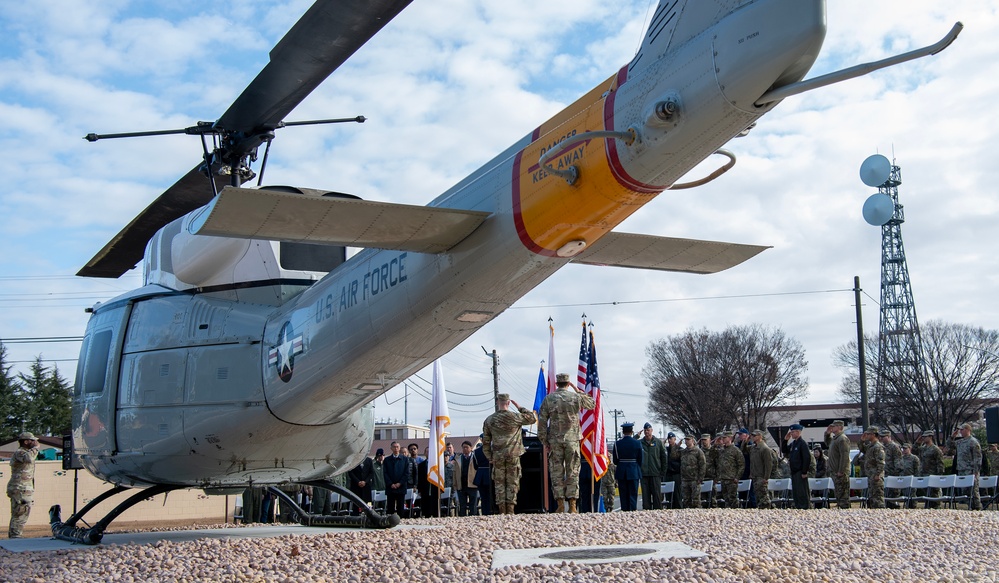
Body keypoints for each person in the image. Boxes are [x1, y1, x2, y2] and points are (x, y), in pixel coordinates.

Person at [537, 373, 595, 513]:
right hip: (572, 440)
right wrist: (578, 391)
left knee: (556, 472)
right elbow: (592, 404)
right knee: (572, 471)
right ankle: (573, 504)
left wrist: (545, 441)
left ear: (557, 384)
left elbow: (542, 421)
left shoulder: (549, 399)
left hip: (555, 441)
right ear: (568, 384)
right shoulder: (575, 397)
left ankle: (560, 504)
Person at [482, 393, 537, 515]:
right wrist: (520, 407)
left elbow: (486, 441)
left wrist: (489, 456)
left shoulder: (490, 420)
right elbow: (532, 418)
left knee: (499, 483)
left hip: (497, 456)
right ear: (508, 402)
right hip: (513, 454)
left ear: (497, 402)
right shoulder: (515, 417)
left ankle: (502, 509)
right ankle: (510, 509)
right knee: (512, 482)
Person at [7, 432, 39, 538]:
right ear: (25, 442)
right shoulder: (20, 452)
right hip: (20, 488)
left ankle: (15, 536)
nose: (35, 442)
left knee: (21, 514)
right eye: (32, 440)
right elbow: (28, 458)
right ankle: (15, 537)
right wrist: (36, 448)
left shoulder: (25, 452)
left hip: (23, 488)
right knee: (20, 513)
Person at [952, 422, 983, 510]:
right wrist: (952, 437)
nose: (960, 431)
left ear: (968, 430)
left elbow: (978, 457)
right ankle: (970, 507)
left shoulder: (973, 442)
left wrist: (976, 470)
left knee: (973, 491)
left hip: (971, 469)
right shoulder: (960, 442)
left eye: (962, 429)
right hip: (962, 469)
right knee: (964, 491)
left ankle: (977, 508)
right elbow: (949, 447)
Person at [638, 422, 669, 510]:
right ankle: (646, 512)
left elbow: (664, 458)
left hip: (655, 473)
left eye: (648, 430)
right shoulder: (640, 443)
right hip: (644, 474)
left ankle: (657, 512)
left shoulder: (658, 443)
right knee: (646, 497)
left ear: (652, 430)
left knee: (657, 496)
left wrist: (663, 471)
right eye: (645, 430)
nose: (646, 432)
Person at [613, 422, 643, 511]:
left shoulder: (617, 444)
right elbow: (640, 459)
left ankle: (624, 510)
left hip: (622, 471)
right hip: (634, 470)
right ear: (632, 432)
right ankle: (632, 510)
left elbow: (615, 460)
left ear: (623, 432)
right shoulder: (637, 443)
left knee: (623, 494)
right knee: (633, 494)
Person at [825, 420, 851, 509]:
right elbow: (827, 443)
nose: (832, 428)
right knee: (838, 494)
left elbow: (844, 456)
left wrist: (841, 470)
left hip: (840, 472)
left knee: (843, 494)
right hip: (835, 471)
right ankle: (841, 508)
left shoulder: (842, 439)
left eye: (834, 426)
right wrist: (827, 434)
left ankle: (845, 510)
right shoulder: (835, 439)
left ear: (840, 427)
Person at [785, 424, 811, 509]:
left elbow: (806, 458)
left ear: (798, 432)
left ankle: (804, 507)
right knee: (796, 491)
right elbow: (785, 450)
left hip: (800, 471)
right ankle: (798, 506)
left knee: (802, 491)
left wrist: (804, 471)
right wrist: (785, 441)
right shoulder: (793, 444)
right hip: (794, 471)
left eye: (793, 432)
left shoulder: (802, 444)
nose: (791, 434)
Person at [717, 431, 744, 508]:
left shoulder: (736, 450)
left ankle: (736, 512)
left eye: (724, 438)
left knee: (732, 499)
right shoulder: (722, 450)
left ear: (730, 438)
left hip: (731, 479)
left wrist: (737, 477)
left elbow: (741, 465)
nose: (722, 439)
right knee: (726, 499)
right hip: (723, 478)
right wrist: (715, 444)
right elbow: (712, 454)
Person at [917, 431, 944, 508]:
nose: (924, 438)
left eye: (925, 437)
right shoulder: (923, 448)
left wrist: (939, 475)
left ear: (930, 437)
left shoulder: (935, 449)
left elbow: (940, 463)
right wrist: (917, 442)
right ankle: (928, 506)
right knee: (927, 493)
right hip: (923, 474)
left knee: (934, 493)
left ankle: (936, 507)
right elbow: (914, 451)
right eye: (923, 437)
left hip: (932, 474)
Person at [861, 427, 886, 508]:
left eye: (868, 434)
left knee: (878, 497)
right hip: (871, 475)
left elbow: (881, 462)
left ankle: (881, 512)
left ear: (874, 435)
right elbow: (862, 449)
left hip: (876, 476)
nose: (867, 435)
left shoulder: (877, 447)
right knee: (872, 497)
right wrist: (862, 441)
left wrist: (878, 474)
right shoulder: (870, 446)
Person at [383, 441, 409, 516]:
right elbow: (385, 473)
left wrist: (399, 483)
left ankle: (400, 519)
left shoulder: (405, 459)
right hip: (390, 487)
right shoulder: (387, 460)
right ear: (391, 448)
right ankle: (390, 520)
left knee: (400, 506)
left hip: (401, 487)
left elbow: (406, 473)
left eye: (397, 447)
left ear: (399, 448)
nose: (396, 448)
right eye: (394, 447)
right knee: (390, 507)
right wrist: (390, 484)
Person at [749, 430, 774, 509]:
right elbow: (743, 450)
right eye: (752, 436)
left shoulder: (764, 449)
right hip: (755, 476)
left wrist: (766, 477)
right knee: (758, 497)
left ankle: (767, 510)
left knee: (764, 498)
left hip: (761, 476)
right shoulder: (754, 448)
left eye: (755, 436)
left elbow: (768, 464)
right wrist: (745, 441)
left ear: (760, 436)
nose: (753, 437)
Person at [679, 435, 705, 508]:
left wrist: (700, 478)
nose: (687, 441)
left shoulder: (698, 452)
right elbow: (673, 455)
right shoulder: (683, 452)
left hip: (695, 479)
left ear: (692, 440)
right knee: (686, 500)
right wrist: (677, 446)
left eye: (688, 440)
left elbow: (702, 465)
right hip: (685, 479)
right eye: (686, 440)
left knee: (696, 500)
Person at [879, 429, 903, 507]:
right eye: (881, 437)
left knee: (893, 495)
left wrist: (896, 473)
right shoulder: (882, 447)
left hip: (892, 474)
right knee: (885, 494)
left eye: (883, 437)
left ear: (888, 436)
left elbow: (898, 460)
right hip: (884, 474)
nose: (881, 438)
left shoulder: (894, 446)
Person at [455, 440, 478, 516]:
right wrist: (455, 484)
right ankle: (462, 519)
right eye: (463, 447)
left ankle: (473, 518)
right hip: (461, 485)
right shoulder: (458, 459)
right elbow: (455, 472)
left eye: (467, 447)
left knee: (473, 505)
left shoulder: (475, 458)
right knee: (462, 505)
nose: (465, 449)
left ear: (471, 448)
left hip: (472, 484)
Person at [471, 438, 493, 515]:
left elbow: (475, 465)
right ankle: (490, 511)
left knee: (483, 497)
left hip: (480, 475)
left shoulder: (476, 451)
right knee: (490, 496)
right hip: (490, 473)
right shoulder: (493, 450)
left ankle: (485, 512)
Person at [663, 431, 683, 508]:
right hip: (668, 474)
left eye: (671, 438)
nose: (669, 440)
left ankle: (678, 508)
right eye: (668, 439)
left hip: (676, 474)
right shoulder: (666, 450)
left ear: (675, 439)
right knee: (668, 495)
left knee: (677, 495)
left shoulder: (680, 450)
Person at [700, 434, 718, 508]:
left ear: (710, 440)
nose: (704, 442)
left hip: (712, 477)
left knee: (713, 500)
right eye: (702, 440)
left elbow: (718, 464)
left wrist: (717, 476)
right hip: (702, 478)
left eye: (705, 440)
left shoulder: (714, 451)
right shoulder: (699, 451)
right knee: (703, 500)